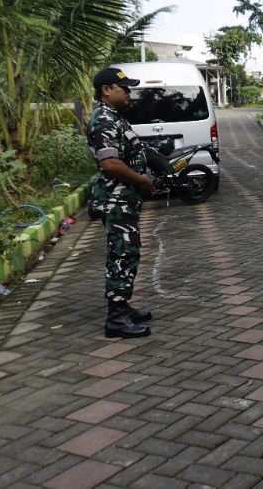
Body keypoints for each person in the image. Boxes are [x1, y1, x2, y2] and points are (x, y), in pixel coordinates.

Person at [86, 67, 154, 339]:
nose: (128, 93)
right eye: (123, 88)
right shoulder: (104, 120)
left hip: (123, 200)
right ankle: (116, 320)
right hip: (116, 199)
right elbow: (110, 163)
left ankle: (123, 306)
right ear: (106, 90)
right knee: (123, 254)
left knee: (126, 252)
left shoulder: (114, 117)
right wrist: (140, 180)